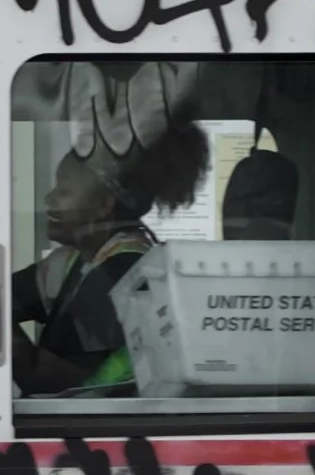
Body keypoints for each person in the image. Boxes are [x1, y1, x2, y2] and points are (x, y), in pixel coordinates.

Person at [12, 121, 209, 396]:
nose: (49, 198)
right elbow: (4, 296)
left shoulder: (122, 272)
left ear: (103, 205)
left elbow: (50, 379)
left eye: (65, 190)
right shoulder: (76, 260)